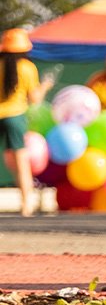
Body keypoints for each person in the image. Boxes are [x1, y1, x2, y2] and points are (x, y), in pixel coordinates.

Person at [0, 28, 54, 216]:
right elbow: (35, 99)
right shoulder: (27, 68)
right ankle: (26, 205)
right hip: (15, 117)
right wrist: (46, 86)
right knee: (22, 162)